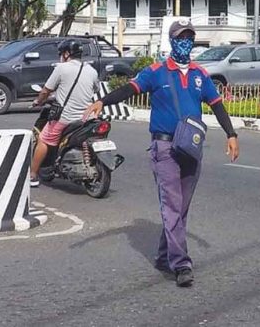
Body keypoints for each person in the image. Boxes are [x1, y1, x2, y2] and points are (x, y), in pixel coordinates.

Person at [83, 19, 239, 288]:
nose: (185, 42)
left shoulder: (200, 75)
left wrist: (231, 134)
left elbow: (217, 105)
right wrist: (102, 102)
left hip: (191, 147)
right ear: (171, 40)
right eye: (180, 37)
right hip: (164, 148)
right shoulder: (155, 72)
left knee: (182, 206)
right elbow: (129, 89)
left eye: (189, 37)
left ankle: (164, 255)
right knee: (171, 205)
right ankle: (181, 263)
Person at [30, 39, 100, 187]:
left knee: (43, 139)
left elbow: (45, 91)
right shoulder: (91, 70)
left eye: (61, 54)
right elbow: (96, 89)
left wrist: (38, 101)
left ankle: (33, 175)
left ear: (67, 54)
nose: (61, 57)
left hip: (66, 117)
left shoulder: (61, 68)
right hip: (88, 118)